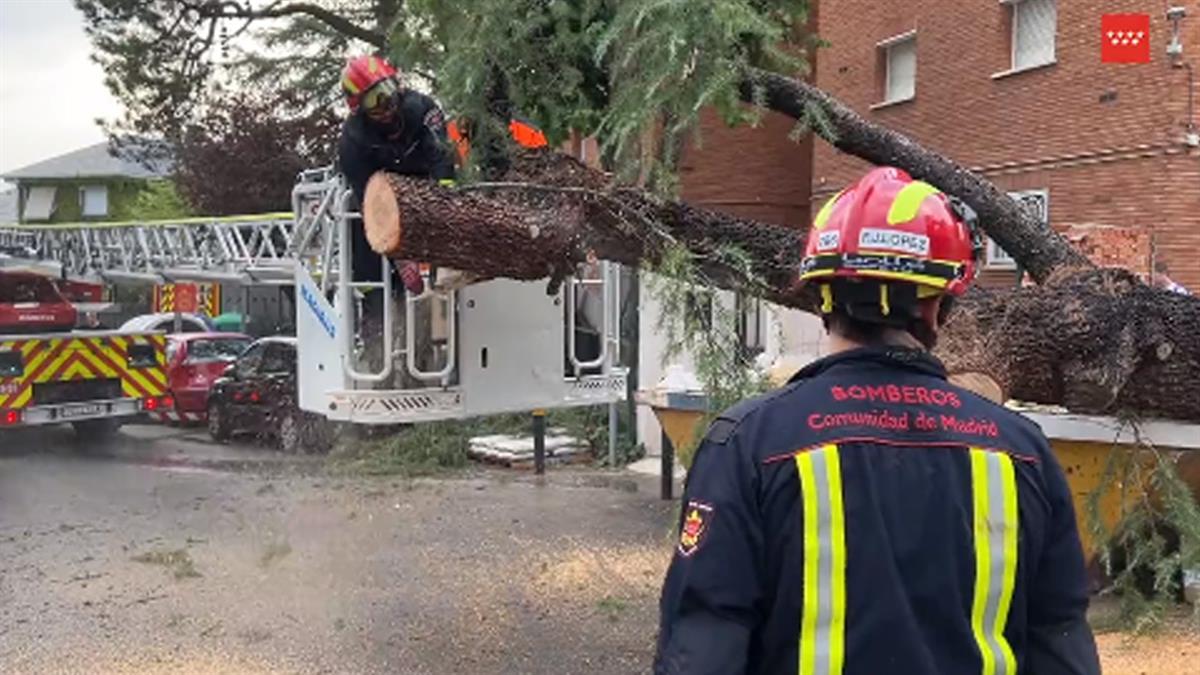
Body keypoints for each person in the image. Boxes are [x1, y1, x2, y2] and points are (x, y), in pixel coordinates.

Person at [655, 167, 1100, 675]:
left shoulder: (750, 443)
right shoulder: (1021, 450)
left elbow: (705, 640)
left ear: (821, 294)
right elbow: (1058, 640)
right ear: (938, 305)